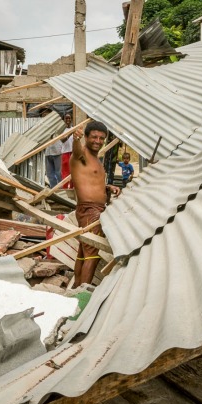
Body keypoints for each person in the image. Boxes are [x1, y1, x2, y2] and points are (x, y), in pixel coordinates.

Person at [70, 121, 121, 288]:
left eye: (101, 138)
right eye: (94, 137)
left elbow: (91, 182)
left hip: (93, 210)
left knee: (84, 253)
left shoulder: (95, 159)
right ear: (86, 137)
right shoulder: (81, 155)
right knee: (92, 255)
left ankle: (76, 289)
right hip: (90, 211)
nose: (98, 141)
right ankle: (82, 295)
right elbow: (76, 151)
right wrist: (75, 139)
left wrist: (107, 188)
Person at [60, 114, 73, 188]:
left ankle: (71, 188)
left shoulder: (73, 128)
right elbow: (63, 140)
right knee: (65, 172)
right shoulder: (62, 130)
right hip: (65, 153)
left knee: (73, 172)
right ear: (64, 120)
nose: (68, 120)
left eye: (69, 118)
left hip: (73, 153)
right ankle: (65, 188)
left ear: (71, 119)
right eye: (66, 118)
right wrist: (71, 133)